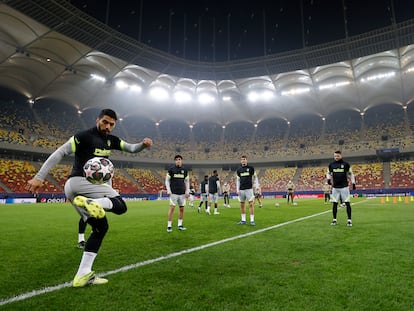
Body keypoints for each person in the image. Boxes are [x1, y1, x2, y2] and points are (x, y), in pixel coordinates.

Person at [26, 108, 153, 287]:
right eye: (105, 122)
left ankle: (82, 276)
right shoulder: (84, 136)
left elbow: (131, 148)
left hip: (74, 189)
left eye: (111, 124)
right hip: (81, 182)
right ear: (97, 120)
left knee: (101, 227)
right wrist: (39, 176)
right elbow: (60, 152)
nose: (107, 126)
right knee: (121, 205)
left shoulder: (111, 140)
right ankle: (94, 203)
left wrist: (142, 144)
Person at [327, 150, 356, 227]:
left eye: (338, 156)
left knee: (347, 203)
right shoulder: (331, 165)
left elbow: (351, 174)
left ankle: (349, 220)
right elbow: (328, 173)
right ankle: (334, 219)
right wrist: (328, 179)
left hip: (344, 187)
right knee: (334, 203)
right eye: (335, 156)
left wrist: (353, 183)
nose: (336, 157)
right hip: (335, 187)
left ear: (341, 156)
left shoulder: (345, 164)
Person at [165, 154, 190, 232]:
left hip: (182, 193)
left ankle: (180, 225)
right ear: (175, 161)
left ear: (181, 161)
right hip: (174, 193)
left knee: (182, 209)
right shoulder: (171, 170)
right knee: (172, 208)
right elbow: (167, 180)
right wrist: (168, 190)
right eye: (176, 160)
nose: (178, 161)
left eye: (179, 159)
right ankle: (169, 226)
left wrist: (187, 190)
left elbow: (187, 181)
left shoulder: (185, 171)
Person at [236, 155, 259, 226]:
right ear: (241, 161)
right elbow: (238, 180)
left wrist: (257, 186)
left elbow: (255, 177)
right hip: (241, 189)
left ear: (246, 160)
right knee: (242, 205)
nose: (243, 160)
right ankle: (243, 220)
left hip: (249, 189)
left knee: (251, 204)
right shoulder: (239, 170)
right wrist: (237, 189)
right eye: (242, 159)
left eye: (244, 159)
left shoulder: (251, 168)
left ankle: (252, 220)